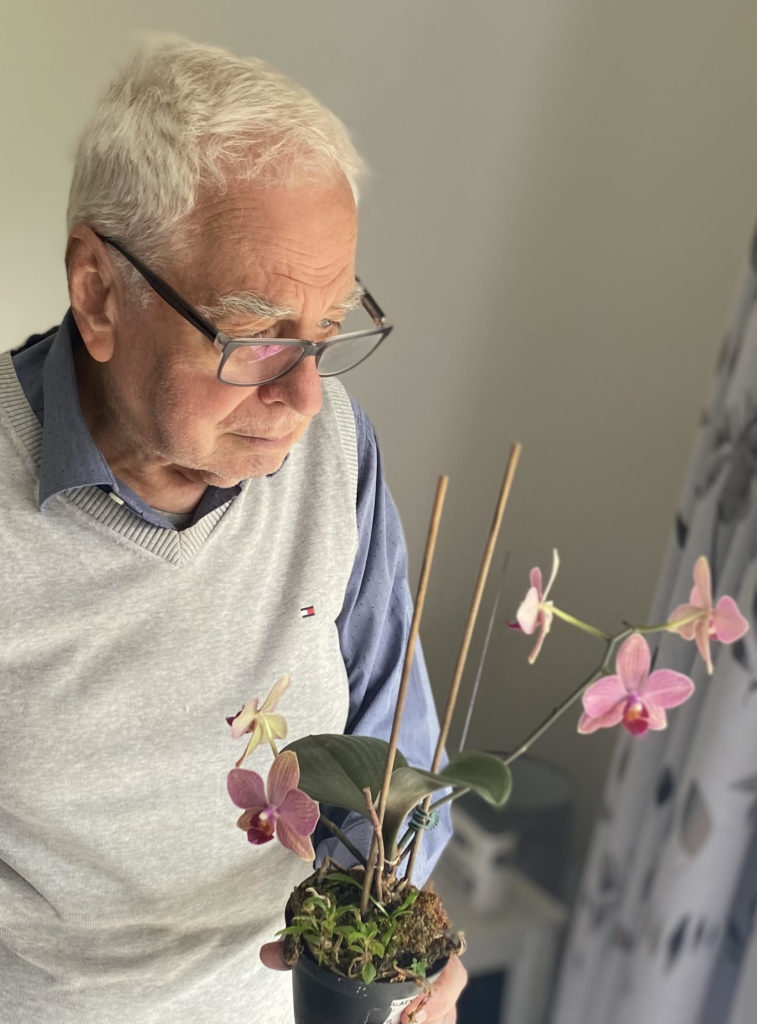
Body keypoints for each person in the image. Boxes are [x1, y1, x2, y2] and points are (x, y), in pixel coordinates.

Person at [0, 39, 465, 1024]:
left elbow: (392, 758)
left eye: (329, 331)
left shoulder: (336, 446)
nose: (303, 397)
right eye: (256, 336)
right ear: (97, 292)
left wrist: (395, 938)